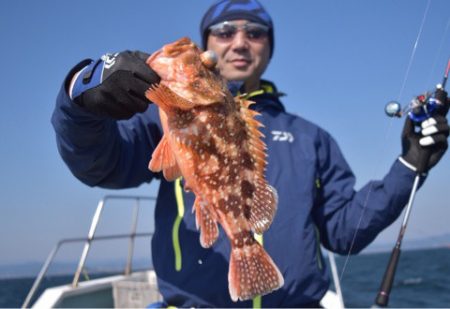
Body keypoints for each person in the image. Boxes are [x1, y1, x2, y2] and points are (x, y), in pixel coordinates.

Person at [51, 0, 449, 307]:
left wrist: (409, 165)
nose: (239, 42)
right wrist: (80, 96)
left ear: (269, 48)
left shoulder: (312, 138)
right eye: (224, 32)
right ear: (208, 45)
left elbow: (345, 232)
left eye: (255, 33)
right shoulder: (162, 120)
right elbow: (99, 165)